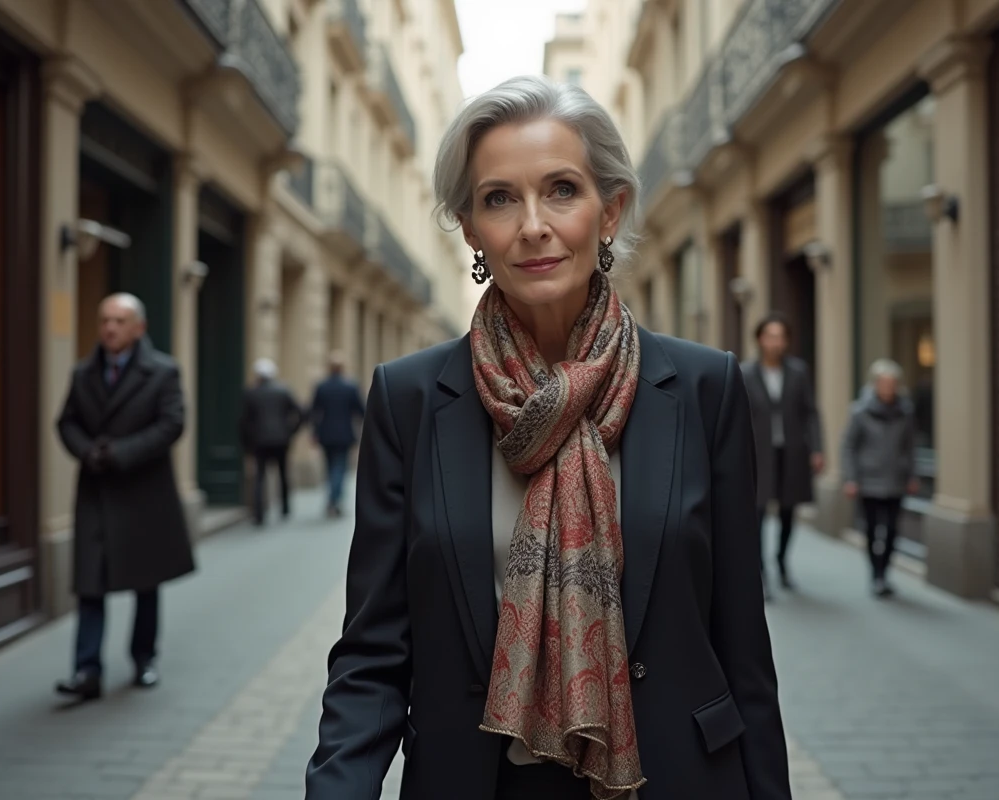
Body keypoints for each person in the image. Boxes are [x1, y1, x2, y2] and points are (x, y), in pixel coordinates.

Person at [307, 76, 790, 800]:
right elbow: (373, 651)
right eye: (499, 198)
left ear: (610, 210)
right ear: (471, 229)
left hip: (672, 776)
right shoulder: (410, 399)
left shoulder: (702, 388)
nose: (533, 223)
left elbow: (741, 643)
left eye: (561, 189)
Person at [54, 293, 195, 700]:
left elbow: (172, 424)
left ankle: (144, 658)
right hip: (96, 492)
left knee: (144, 581)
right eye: (105, 320)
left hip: (143, 492)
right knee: (89, 583)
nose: (110, 328)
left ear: (139, 328)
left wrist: (120, 453)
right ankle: (86, 671)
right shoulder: (83, 374)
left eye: (119, 321)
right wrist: (87, 451)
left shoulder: (164, 371)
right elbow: (66, 422)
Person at [740, 313, 823, 597]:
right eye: (770, 335)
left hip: (792, 451)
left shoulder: (798, 372)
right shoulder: (745, 372)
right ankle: (760, 572)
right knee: (758, 513)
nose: (776, 342)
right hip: (759, 452)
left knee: (789, 511)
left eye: (781, 336)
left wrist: (817, 448)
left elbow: (810, 413)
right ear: (760, 339)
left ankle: (782, 562)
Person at [841, 358, 918, 598]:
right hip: (869, 480)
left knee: (893, 530)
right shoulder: (860, 411)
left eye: (892, 383)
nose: (888, 387)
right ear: (875, 384)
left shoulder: (905, 412)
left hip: (896, 478)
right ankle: (875, 574)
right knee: (873, 530)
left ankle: (884, 573)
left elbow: (910, 446)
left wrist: (912, 474)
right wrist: (851, 478)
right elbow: (849, 446)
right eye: (884, 382)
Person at [239, 358, 304, 526]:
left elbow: (244, 422)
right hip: (281, 440)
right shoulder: (283, 391)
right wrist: (290, 432)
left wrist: (247, 444)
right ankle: (285, 508)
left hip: (259, 441)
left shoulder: (251, 393)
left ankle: (259, 514)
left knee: (259, 477)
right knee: (283, 474)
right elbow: (301, 413)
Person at [309, 352, 366, 517]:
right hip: (344, 434)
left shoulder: (322, 386)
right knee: (339, 467)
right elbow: (361, 410)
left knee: (330, 467)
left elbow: (314, 411)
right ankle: (335, 500)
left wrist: (314, 432)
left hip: (325, 433)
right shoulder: (350, 386)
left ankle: (333, 499)